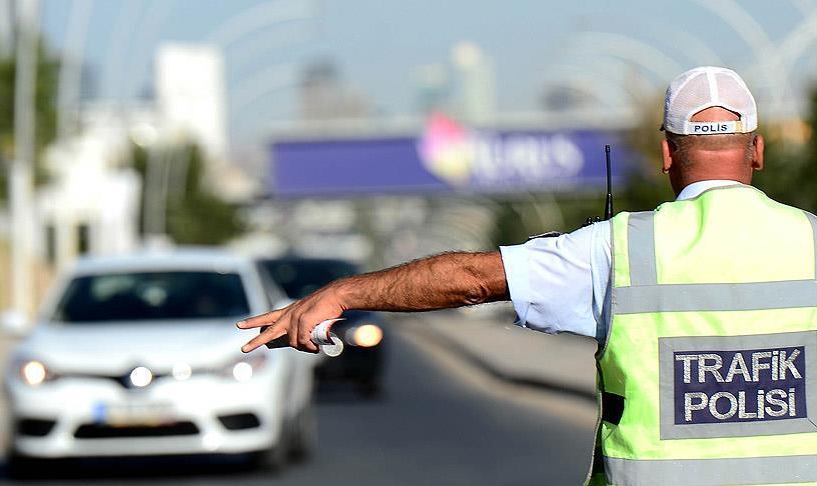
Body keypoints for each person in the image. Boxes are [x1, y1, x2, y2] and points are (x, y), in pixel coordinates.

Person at [238, 66, 817, 485]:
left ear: (667, 154)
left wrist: (343, 291)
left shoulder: (619, 250)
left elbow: (468, 278)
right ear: (758, 151)